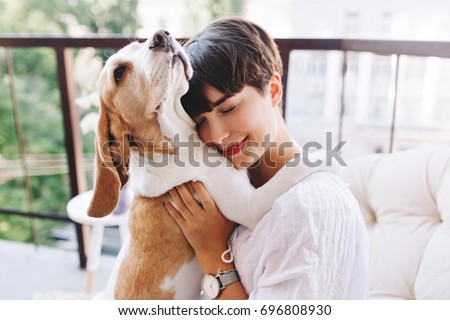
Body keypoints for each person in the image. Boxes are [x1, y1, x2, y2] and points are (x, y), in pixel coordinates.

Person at [163, 16, 369, 300]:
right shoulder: (228, 191)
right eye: (201, 122)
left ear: (272, 90)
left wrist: (212, 251)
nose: (217, 135)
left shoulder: (306, 209)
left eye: (229, 108)